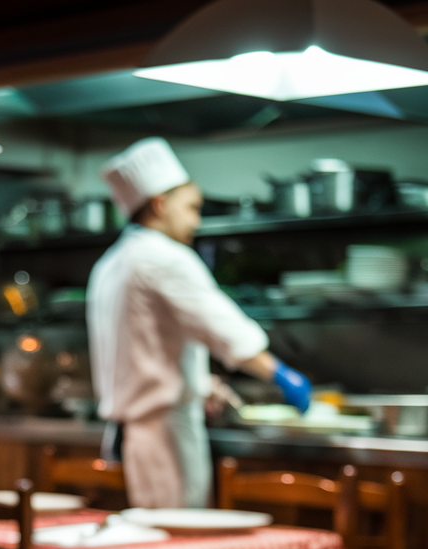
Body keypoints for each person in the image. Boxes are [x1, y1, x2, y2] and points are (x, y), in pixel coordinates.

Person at [86, 137, 311, 509]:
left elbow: (139, 348)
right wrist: (282, 375)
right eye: (191, 207)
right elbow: (228, 332)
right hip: (164, 440)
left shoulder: (112, 263)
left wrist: (200, 383)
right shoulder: (164, 257)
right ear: (159, 205)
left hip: (125, 437)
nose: (197, 220)